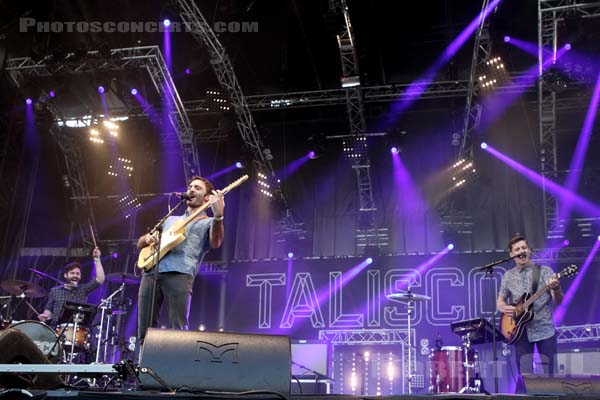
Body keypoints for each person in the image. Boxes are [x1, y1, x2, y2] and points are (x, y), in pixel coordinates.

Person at [136, 176, 224, 342]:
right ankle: (144, 364)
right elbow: (140, 243)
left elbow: (216, 242)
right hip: (151, 272)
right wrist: (146, 239)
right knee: (144, 329)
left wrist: (218, 216)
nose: (191, 189)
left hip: (180, 273)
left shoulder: (209, 222)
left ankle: (176, 364)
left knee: (178, 327)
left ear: (207, 197)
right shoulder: (171, 219)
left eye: (197, 188)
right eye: (190, 186)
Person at [497, 234, 564, 392]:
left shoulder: (545, 271)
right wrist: (504, 308)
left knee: (550, 375)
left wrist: (556, 288)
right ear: (511, 254)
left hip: (545, 330)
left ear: (529, 250)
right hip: (520, 332)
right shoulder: (508, 276)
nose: (521, 251)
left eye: (524, 248)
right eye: (517, 249)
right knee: (525, 376)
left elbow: (559, 301)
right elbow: (500, 301)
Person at [38, 247, 106, 326]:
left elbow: (100, 279)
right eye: (72, 273)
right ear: (65, 275)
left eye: (77, 273)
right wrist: (46, 316)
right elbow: (48, 310)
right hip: (57, 329)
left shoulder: (83, 289)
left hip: (77, 329)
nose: (75, 275)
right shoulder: (55, 290)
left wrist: (97, 260)